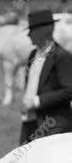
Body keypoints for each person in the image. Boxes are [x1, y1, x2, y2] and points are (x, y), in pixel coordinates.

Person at [20, 9, 72, 144]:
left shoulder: (62, 56)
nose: (29, 35)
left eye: (32, 30)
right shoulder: (33, 54)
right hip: (30, 122)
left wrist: (37, 101)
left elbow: (69, 90)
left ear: (44, 31)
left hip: (54, 125)